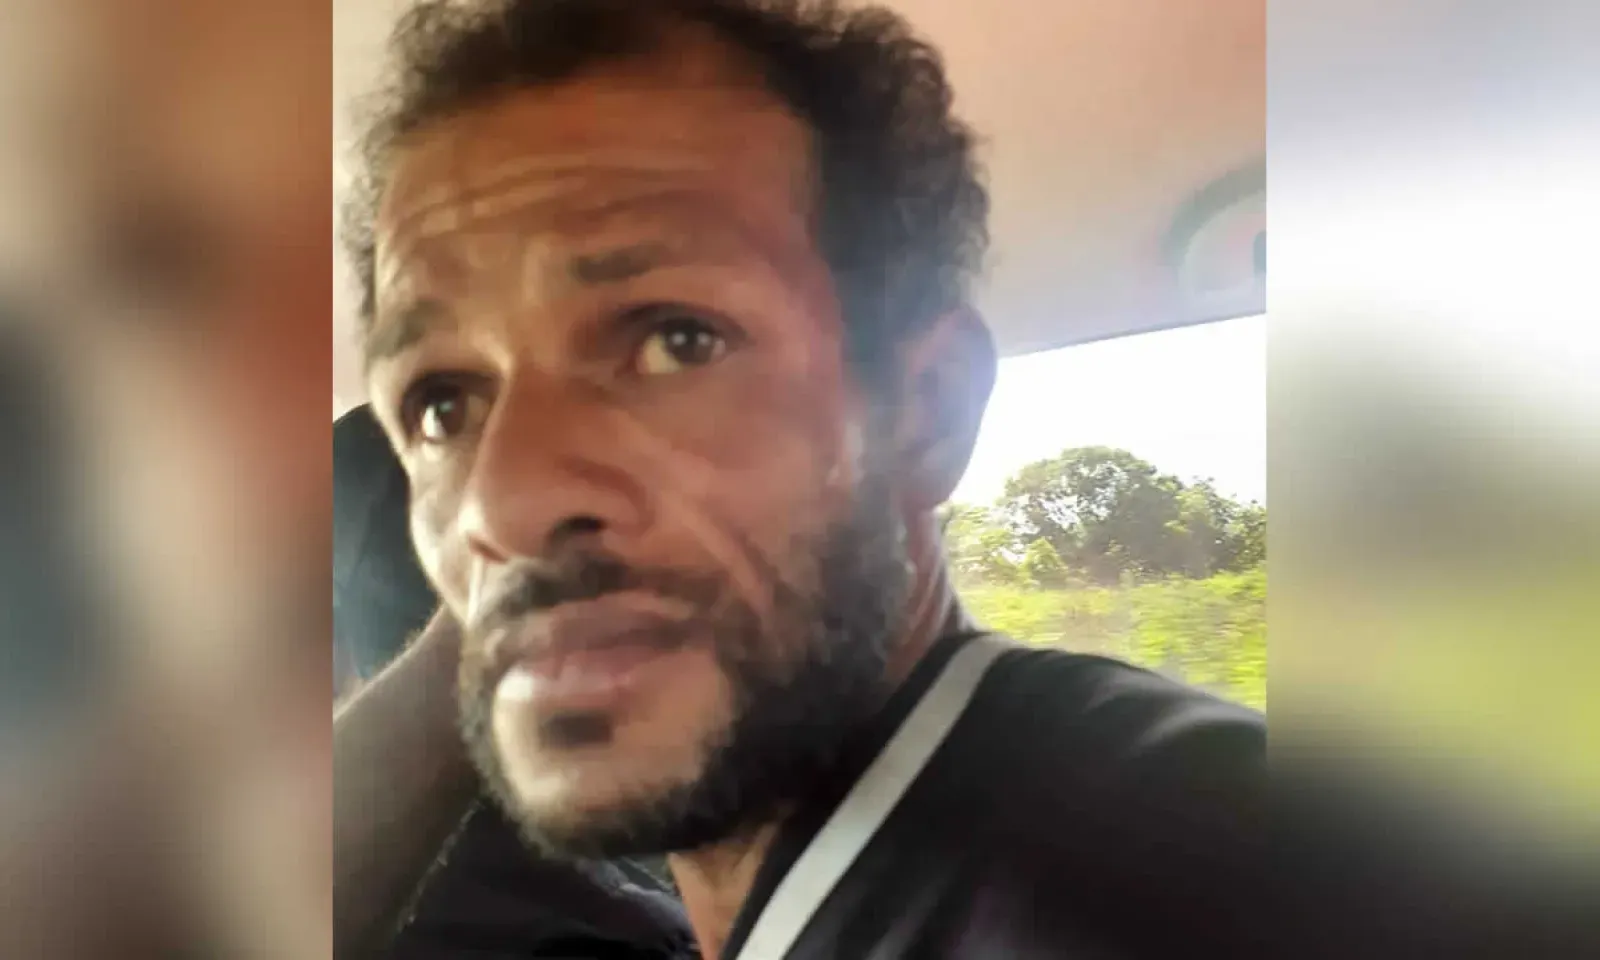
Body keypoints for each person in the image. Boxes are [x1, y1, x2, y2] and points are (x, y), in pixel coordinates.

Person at [333, 2, 1267, 957]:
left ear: (926, 411)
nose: (498, 506)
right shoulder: (837, 872)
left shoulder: (1210, 872)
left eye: (676, 341)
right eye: (443, 405)